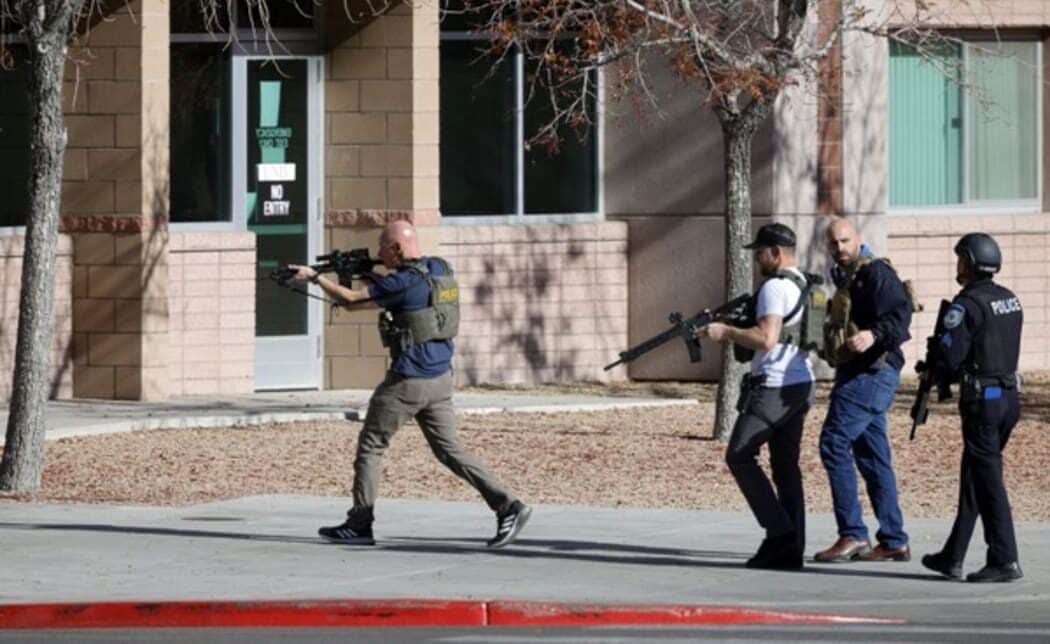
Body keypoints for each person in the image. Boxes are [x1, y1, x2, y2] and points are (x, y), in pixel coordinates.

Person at [287, 220, 531, 548]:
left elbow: (352, 301)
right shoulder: (439, 268)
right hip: (440, 379)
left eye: (382, 248)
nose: (379, 253)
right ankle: (508, 505)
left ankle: (359, 523)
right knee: (450, 450)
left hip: (408, 380)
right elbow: (397, 296)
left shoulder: (401, 282)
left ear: (397, 249)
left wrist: (315, 278)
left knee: (372, 445)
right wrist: (368, 273)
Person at [699, 223, 815, 570]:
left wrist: (726, 331)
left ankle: (780, 534)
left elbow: (766, 339)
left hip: (775, 387)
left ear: (776, 253)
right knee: (785, 466)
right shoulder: (802, 282)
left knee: (739, 455)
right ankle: (791, 547)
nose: (757, 259)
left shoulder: (775, 287)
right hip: (800, 384)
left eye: (761, 253)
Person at [921, 233, 1024, 583]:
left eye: (961, 259)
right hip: (1009, 398)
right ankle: (953, 556)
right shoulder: (1009, 299)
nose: (958, 265)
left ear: (970, 262)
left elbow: (951, 358)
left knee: (988, 480)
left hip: (984, 404)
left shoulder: (965, 305)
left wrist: (935, 368)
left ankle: (1004, 559)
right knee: (975, 476)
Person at [814, 217, 911, 563]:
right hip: (859, 372)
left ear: (858, 239)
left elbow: (901, 315)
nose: (839, 248)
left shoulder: (876, 273)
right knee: (872, 455)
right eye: (833, 243)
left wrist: (873, 334)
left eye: (845, 241)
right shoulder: (846, 274)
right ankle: (893, 539)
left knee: (833, 443)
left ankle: (853, 534)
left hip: (872, 373)